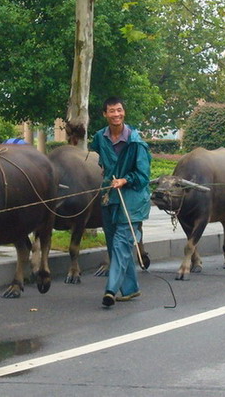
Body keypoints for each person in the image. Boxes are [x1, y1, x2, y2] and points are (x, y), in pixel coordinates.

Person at [90, 96, 151, 307]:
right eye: (112, 111)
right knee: (113, 244)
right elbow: (101, 160)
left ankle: (110, 289)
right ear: (105, 114)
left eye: (119, 110)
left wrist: (125, 179)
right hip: (109, 198)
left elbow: (143, 176)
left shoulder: (136, 142)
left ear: (124, 112)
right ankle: (131, 289)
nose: (116, 114)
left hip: (132, 199)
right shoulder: (100, 137)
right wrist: (109, 178)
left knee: (120, 243)